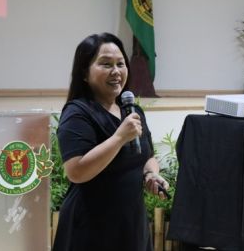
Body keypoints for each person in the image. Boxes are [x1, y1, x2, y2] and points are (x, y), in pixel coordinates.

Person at [53, 33, 168, 251]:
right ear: (84, 73)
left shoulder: (132, 111)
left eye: (120, 64)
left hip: (131, 223)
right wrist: (119, 138)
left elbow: (147, 156)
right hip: (92, 227)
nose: (116, 71)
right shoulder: (77, 113)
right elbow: (76, 171)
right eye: (106, 64)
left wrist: (151, 174)